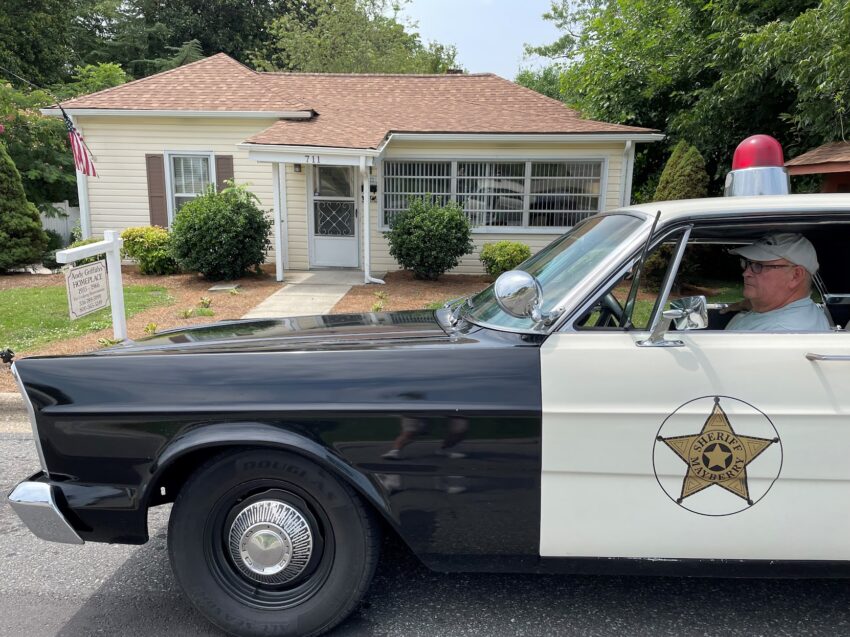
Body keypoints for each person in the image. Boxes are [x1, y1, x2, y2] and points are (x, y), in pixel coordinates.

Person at [724, 232, 831, 332]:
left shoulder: (777, 333)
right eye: (748, 263)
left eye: (758, 265)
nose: (746, 273)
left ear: (795, 276)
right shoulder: (802, 311)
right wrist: (745, 305)